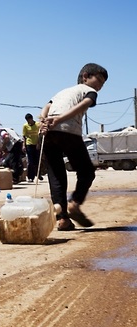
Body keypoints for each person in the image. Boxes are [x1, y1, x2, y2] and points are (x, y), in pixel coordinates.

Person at [40, 63, 107, 231]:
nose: (99, 86)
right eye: (98, 80)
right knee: (86, 172)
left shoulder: (61, 92)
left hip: (49, 133)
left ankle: (62, 219)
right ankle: (75, 203)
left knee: (56, 175)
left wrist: (43, 120)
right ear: (85, 76)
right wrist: (61, 119)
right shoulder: (87, 90)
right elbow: (86, 103)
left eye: (102, 84)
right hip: (67, 130)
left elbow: (46, 107)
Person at [22, 113, 42, 182]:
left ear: (31, 119)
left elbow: (39, 135)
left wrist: (38, 143)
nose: (28, 121)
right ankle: (31, 177)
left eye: (29, 120)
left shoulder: (37, 125)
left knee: (37, 160)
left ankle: (39, 174)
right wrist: (24, 145)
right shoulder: (25, 126)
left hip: (36, 144)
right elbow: (24, 136)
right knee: (30, 161)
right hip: (29, 144)